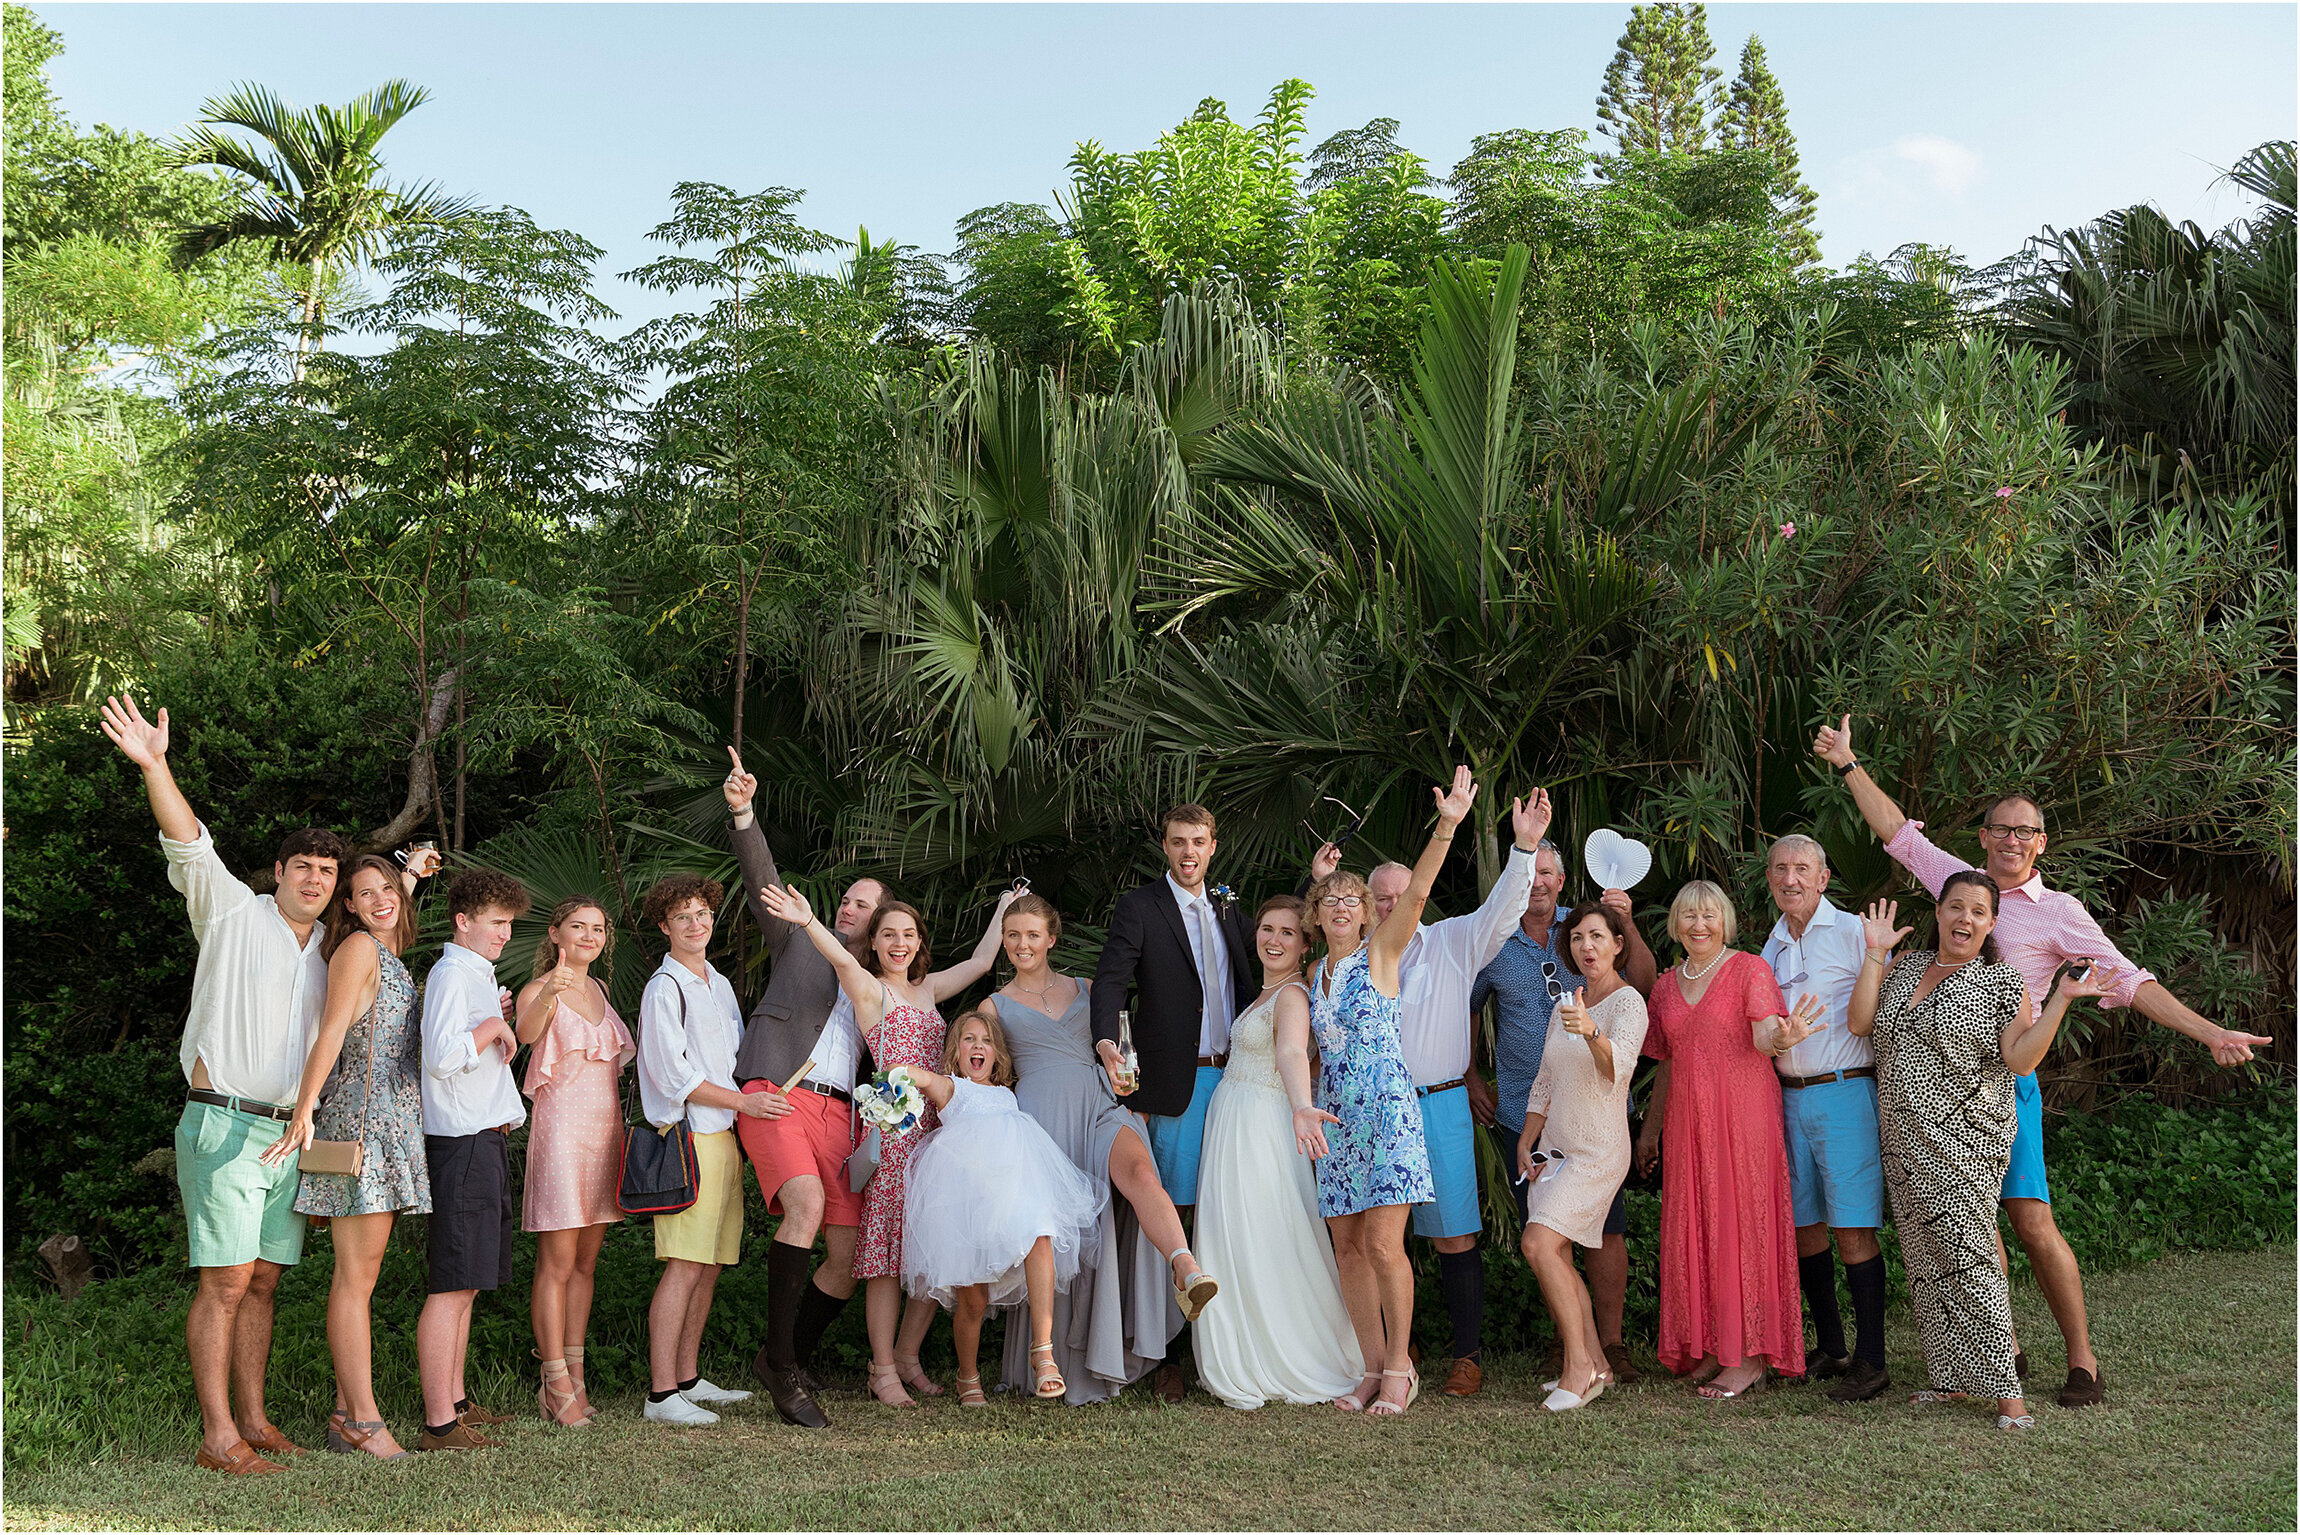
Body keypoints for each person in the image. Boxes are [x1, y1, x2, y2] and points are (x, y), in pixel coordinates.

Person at [1813, 715, 2272, 1409]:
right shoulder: (1955, 881)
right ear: (1984, 838)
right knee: (1969, 1225)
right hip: (1935, 1091)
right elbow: (1897, 832)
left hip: (2007, 1082)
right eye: (2000, 828)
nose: (2011, 840)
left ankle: (2082, 1358)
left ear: (2041, 843)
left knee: (2029, 1220)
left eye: (2025, 831)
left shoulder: (2060, 911)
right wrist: (1849, 764)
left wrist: (2207, 1030)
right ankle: (2001, 1355)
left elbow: (2128, 979)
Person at [101, 694, 345, 1475]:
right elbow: (188, 840)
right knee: (228, 1280)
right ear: (277, 872)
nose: (314, 878)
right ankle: (217, 1438)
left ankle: (256, 1420)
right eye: (302, 866)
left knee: (266, 1279)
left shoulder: (329, 957)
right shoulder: (233, 912)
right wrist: (155, 764)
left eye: (326, 870)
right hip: (223, 1123)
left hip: (286, 1133)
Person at [1305, 789, 1550, 1398]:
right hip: (1344, 1116)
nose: (1389, 903)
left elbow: (1497, 909)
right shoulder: (1326, 969)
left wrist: (1514, 848)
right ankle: (1385, 1359)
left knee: (1441, 1233)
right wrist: (1323, 883)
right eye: (1377, 895)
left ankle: (1448, 1358)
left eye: (1393, 896)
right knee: (1360, 1244)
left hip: (1425, 1103)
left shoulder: (1446, 940)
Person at [1851, 879, 2115, 1431]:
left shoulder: (2001, 981)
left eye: (1978, 911)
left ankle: (2009, 1398)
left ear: (1992, 923)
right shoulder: (1904, 966)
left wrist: (2061, 1000)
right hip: (1901, 1136)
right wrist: (1876, 953)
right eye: (1955, 907)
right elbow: (1861, 1023)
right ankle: (1950, 1378)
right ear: (1940, 913)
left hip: (1964, 1140)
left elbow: (2020, 1057)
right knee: (1927, 1261)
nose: (1964, 918)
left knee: (1971, 1261)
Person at [758, 879, 1018, 1405]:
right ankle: (881, 1371)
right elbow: (840, 959)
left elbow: (982, 963)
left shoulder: (928, 990)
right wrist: (809, 920)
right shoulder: (870, 989)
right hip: (894, 1133)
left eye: (909, 935)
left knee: (934, 1247)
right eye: (889, 935)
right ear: (874, 942)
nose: (899, 944)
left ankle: (907, 1357)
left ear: (920, 942)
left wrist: (1005, 907)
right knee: (884, 1259)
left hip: (936, 1134)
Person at [722, 748, 886, 1428]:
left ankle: (780, 1354)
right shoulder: (800, 941)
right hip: (777, 1093)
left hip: (842, 1117)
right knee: (806, 1205)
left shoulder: (880, 986)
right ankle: (786, 1374)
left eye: (865, 905)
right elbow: (762, 875)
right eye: (848, 897)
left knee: (848, 1258)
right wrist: (742, 811)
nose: (849, 905)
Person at [1309, 765, 1479, 1417]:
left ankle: (1402, 1368)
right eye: (1335, 898)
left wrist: (1448, 824)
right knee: (1347, 1247)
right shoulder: (1313, 973)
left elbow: (1414, 898)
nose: (1346, 906)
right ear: (1319, 910)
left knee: (1384, 1244)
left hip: (1386, 1114)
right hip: (1336, 1124)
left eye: (1354, 899)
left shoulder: (1380, 954)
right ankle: (1371, 1365)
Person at [990, 895, 1206, 1404]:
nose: (1023, 944)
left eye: (1032, 934)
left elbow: (1128, 1039)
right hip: (1042, 1119)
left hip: (1105, 1105)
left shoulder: (1089, 989)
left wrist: (1136, 1087)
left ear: (1051, 938)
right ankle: (1059, 1358)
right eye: (1013, 935)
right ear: (1003, 942)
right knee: (1068, 1235)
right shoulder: (993, 1006)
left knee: (1142, 1175)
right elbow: (987, 1071)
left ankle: (1185, 1267)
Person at [263, 850, 439, 1460]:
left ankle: (345, 1414)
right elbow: (332, 1031)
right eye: (363, 894)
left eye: (386, 890)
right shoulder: (361, 950)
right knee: (355, 1280)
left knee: (362, 1275)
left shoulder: (386, 951)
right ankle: (362, 1422)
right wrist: (305, 1107)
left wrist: (407, 873)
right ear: (348, 906)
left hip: (391, 1128)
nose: (379, 900)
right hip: (359, 1129)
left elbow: (392, 897)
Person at [1474, 846, 1658, 1386]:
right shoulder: (1495, 936)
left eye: (1546, 873)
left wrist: (1622, 920)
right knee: (1549, 1237)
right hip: (1529, 1116)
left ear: (1560, 881)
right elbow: (1469, 1006)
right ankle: (1572, 1345)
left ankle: (1610, 1344)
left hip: (1599, 1127)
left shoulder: (1591, 929)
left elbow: (1642, 984)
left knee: (1604, 1233)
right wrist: (1469, 1076)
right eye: (1528, 873)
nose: (1537, 882)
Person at [1089, 802, 1253, 1402]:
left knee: (1229, 1210)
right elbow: (1111, 980)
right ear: (1165, 845)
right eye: (1178, 841)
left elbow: (1263, 975)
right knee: (1176, 1215)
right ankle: (1169, 1356)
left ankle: (1231, 1346)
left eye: (1199, 842)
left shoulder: (1231, 905)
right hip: (1178, 1084)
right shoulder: (1140, 907)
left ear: (1214, 846)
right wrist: (1107, 1040)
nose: (1189, 852)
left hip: (1239, 1080)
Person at [1635, 881, 1822, 1398]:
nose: (1699, 925)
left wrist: (1784, 1036)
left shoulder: (1749, 970)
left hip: (1742, 1119)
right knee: (1698, 1223)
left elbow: (1765, 1035)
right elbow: (1668, 1064)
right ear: (1675, 924)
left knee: (1740, 1225)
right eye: (1689, 916)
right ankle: (1713, 1345)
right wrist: (1650, 1133)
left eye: (1709, 916)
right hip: (1687, 1122)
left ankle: (1749, 1356)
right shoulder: (1667, 987)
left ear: (1726, 922)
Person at [1193, 896, 1365, 1410]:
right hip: (1234, 1119)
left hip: (1261, 1126)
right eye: (1267, 929)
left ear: (1305, 943)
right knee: (1234, 1235)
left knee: (1263, 1234)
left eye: (1288, 933)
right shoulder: (1262, 994)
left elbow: (1292, 1051)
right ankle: (1245, 1348)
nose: (1273, 939)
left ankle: (1283, 1353)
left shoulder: (1292, 996)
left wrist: (1300, 1107)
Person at [899, 1005, 1105, 1405]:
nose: (978, 1047)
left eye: (987, 1041)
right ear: (955, 1052)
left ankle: (1043, 1353)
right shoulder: (951, 1087)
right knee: (972, 1301)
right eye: (969, 1040)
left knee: (1040, 1234)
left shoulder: (1009, 1096)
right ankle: (967, 1376)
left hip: (1013, 1197)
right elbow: (917, 1076)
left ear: (998, 1055)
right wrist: (895, 1079)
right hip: (967, 1205)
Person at [1759, 834, 1892, 1403]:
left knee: (1852, 1227)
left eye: (1802, 869)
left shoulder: (1852, 935)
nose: (1790, 878)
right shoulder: (1770, 946)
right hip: (1785, 1098)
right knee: (1804, 1226)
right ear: (1769, 879)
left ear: (1823, 878)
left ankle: (1873, 1359)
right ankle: (1833, 1346)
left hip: (1844, 1094)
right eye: (1780, 869)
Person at [634, 873, 769, 1427]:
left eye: (702, 914)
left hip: (726, 1137)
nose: (696, 924)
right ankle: (661, 1395)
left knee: (710, 1266)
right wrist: (745, 1104)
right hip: (688, 1137)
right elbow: (675, 1077)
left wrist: (749, 1105)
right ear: (665, 926)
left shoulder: (716, 982)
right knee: (684, 1266)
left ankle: (687, 1378)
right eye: (683, 917)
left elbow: (733, 1058)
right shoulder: (663, 988)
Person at [1514, 901, 1650, 1412]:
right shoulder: (1563, 1003)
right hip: (1555, 1147)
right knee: (1557, 1253)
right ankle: (1599, 1363)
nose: (1585, 946)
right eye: (1576, 938)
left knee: (1538, 1245)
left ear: (1618, 944)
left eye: (1596, 937)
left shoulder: (1627, 1003)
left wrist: (1590, 1030)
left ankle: (1579, 1368)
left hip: (1597, 1149)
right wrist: (1528, 1139)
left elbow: (1620, 1070)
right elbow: (1546, 1081)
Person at [414, 868, 533, 1451]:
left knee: (471, 1280)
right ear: (463, 921)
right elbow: (439, 1058)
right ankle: (439, 1423)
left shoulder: (476, 976)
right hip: (459, 1142)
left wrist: (493, 1018)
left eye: (511, 923)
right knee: (453, 1282)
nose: (507, 934)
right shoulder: (450, 974)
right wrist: (491, 1025)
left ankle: (457, 1403)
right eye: (497, 923)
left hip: (480, 1135)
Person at [513, 898, 635, 1427]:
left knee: (586, 1264)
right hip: (561, 1132)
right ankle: (554, 1382)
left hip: (604, 1134)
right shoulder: (539, 988)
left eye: (598, 928)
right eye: (578, 927)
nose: (589, 935)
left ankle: (577, 1376)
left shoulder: (602, 990)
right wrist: (551, 993)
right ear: (555, 933)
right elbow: (524, 1035)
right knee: (557, 1264)